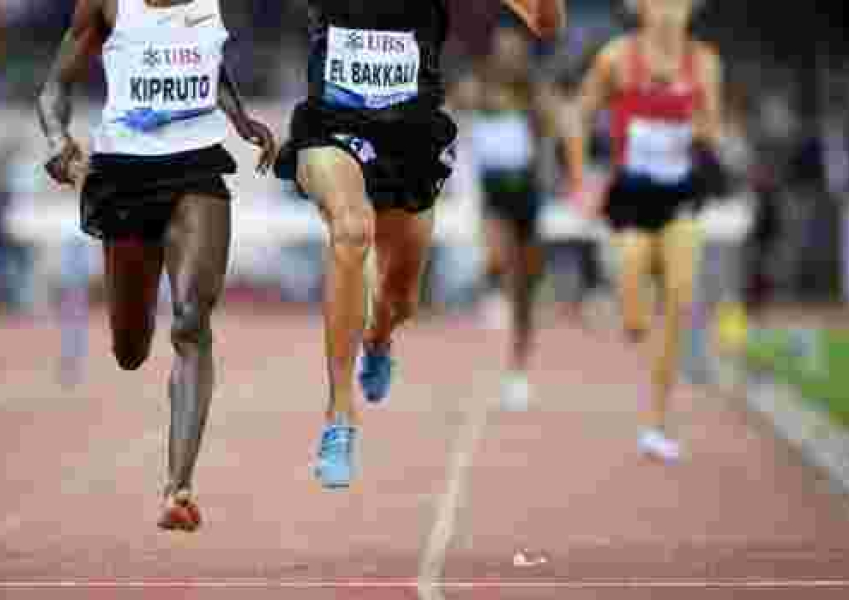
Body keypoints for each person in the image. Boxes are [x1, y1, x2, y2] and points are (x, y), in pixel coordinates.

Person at [273, 0, 565, 488]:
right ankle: (339, 419)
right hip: (331, 131)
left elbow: (546, 23)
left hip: (411, 146)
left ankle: (379, 338)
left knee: (400, 298)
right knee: (351, 230)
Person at [37, 0, 276, 531]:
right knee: (129, 348)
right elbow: (53, 90)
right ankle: (136, 341)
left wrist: (237, 118)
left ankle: (179, 487)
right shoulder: (107, 6)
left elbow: (207, 60)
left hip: (197, 168)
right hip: (124, 176)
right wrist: (58, 141)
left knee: (192, 320)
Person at [565, 0, 723, 463]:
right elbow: (577, 113)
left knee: (679, 295)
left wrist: (695, 119)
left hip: (679, 196)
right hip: (632, 198)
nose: (669, 11)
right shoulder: (616, 57)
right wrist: (579, 178)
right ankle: (632, 313)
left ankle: (658, 420)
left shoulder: (705, 62)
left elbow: (715, 129)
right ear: (640, 8)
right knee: (635, 312)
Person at [453, 23, 564, 410]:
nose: (508, 57)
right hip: (493, 194)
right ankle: (492, 285)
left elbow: (557, 124)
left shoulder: (534, 92)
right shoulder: (477, 86)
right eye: (502, 50)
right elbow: (451, 108)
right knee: (498, 255)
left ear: (523, 56)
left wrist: (545, 114)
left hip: (528, 195)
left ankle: (517, 371)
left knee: (524, 295)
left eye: (515, 51)